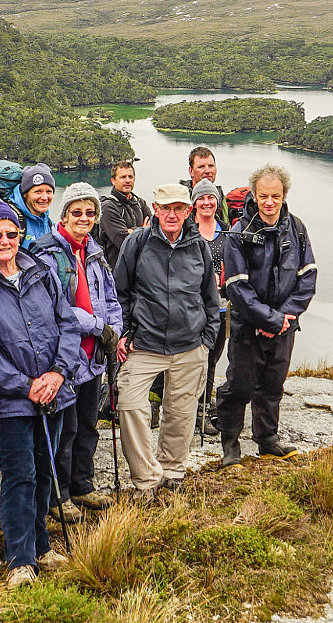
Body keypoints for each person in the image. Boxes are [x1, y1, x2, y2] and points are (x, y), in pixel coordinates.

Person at [0, 201, 86, 587]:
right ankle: (19, 561)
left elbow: (68, 325)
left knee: (46, 472)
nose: (5, 240)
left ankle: (42, 548)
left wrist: (58, 374)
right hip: (11, 402)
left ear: (20, 235)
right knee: (20, 475)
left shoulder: (42, 274)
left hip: (56, 393)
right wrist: (27, 385)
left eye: (11, 233)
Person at [113, 183, 220, 498]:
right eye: (165, 208)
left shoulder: (199, 246)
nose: (171, 214)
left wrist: (207, 339)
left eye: (178, 208)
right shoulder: (137, 243)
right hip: (145, 343)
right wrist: (124, 332)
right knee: (130, 405)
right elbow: (120, 292)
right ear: (155, 210)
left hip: (190, 344)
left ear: (188, 211)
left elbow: (210, 297)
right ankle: (147, 479)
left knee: (181, 411)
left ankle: (172, 471)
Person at [30, 182, 124, 516]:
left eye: (89, 213)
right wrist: (101, 327)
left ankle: (84, 485)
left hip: (94, 356)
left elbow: (110, 299)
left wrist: (115, 326)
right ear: (65, 215)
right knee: (64, 429)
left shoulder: (93, 251)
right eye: (76, 212)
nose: (83, 218)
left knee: (88, 422)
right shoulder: (46, 254)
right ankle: (60, 495)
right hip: (66, 355)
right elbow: (57, 308)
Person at [220, 164, 317, 466]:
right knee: (240, 386)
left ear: (284, 195)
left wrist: (283, 319)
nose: (269, 202)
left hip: (284, 328)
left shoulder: (297, 229)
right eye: (263, 196)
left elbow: (308, 277)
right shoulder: (239, 234)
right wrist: (268, 320)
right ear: (255, 195)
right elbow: (236, 287)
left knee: (273, 385)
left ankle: (267, 439)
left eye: (275, 196)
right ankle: (230, 445)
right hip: (248, 328)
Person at [192, 178, 230, 434]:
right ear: (194, 203)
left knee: (213, 360)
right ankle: (193, 411)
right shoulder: (187, 230)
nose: (207, 203)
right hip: (194, 308)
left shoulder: (226, 230)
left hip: (221, 308)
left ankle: (205, 407)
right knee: (195, 360)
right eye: (202, 198)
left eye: (211, 198)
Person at [98, 161, 151, 268]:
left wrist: (131, 231)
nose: (127, 180)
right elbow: (123, 242)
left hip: (140, 269)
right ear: (113, 181)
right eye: (123, 177)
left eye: (130, 177)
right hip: (116, 272)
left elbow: (155, 230)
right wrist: (143, 230)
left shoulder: (140, 203)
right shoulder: (108, 207)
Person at [180, 146, 231, 225]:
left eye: (211, 166)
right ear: (191, 171)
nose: (207, 171)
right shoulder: (180, 198)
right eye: (201, 167)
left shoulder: (222, 198)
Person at [11, 163, 56, 249]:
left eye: (49, 192)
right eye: (38, 191)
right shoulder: (14, 221)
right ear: (25, 194)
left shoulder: (51, 225)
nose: (44, 197)